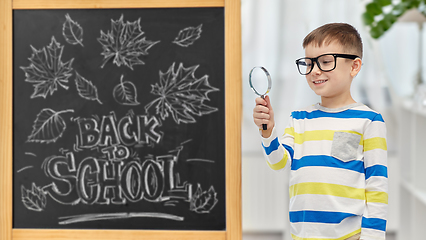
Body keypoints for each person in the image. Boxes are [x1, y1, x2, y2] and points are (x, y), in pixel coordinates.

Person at [253, 23, 388, 240]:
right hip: (303, 234)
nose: (314, 70)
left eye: (325, 62)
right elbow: (279, 163)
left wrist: (373, 237)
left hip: (349, 236)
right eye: (308, 63)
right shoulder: (299, 118)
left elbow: (377, 185)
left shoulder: (369, 120)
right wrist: (267, 131)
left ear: (354, 67)